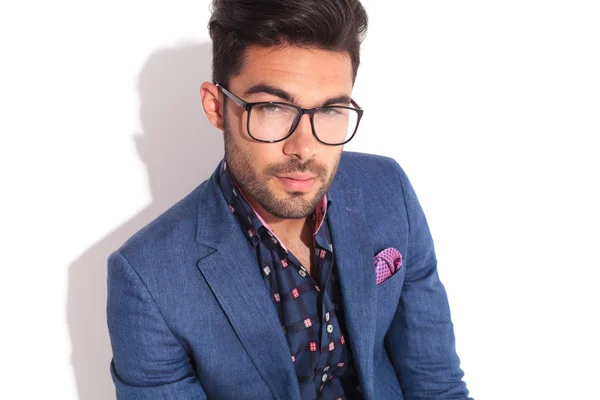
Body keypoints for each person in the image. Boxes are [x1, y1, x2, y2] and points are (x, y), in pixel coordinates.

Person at [106, 0, 472, 399]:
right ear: (216, 106)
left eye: (331, 109)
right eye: (273, 108)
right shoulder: (147, 277)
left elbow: (435, 380)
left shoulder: (388, 190)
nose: (305, 147)